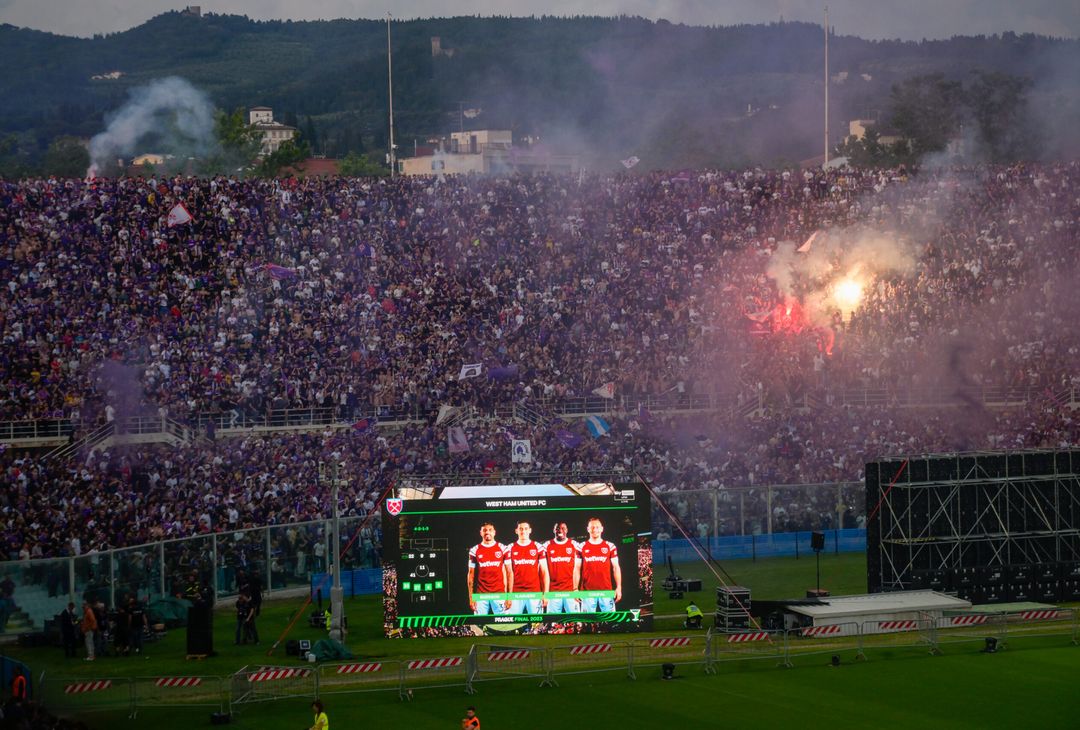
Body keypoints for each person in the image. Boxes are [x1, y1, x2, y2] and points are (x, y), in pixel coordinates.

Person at [578, 517, 622, 613]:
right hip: (587, 592)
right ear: (588, 529)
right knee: (587, 623)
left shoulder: (610, 546)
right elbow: (576, 569)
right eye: (592, 527)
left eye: (597, 527)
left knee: (610, 622)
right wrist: (575, 589)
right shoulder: (581, 547)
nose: (595, 529)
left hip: (606, 591)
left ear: (602, 529)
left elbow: (616, 568)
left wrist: (619, 587)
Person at [505, 521, 549, 615]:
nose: (523, 531)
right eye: (520, 528)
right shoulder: (510, 548)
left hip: (534, 593)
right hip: (515, 593)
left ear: (530, 530)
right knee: (511, 624)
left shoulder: (538, 547)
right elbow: (505, 573)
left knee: (537, 625)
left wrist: (546, 594)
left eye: (525, 528)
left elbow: (544, 572)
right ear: (516, 531)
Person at [467, 523, 508, 615]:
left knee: (504, 625)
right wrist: (471, 598)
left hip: (499, 593)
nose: (487, 532)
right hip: (481, 595)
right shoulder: (474, 550)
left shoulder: (503, 548)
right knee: (480, 623)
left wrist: (507, 596)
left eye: (490, 530)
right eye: (485, 530)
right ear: (481, 533)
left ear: (494, 532)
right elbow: (471, 575)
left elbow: (507, 574)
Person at [542, 522, 580, 614]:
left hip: (571, 591)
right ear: (554, 530)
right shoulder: (546, 546)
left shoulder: (575, 545)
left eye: (563, 528)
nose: (560, 530)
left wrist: (577, 588)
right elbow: (542, 569)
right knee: (553, 623)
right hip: (553, 591)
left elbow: (580, 568)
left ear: (567, 530)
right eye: (557, 528)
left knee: (576, 622)